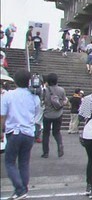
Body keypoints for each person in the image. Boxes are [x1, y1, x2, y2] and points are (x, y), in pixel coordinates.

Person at [0, 69, 41, 199]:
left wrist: (1, 131)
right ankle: (22, 190)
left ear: (15, 81)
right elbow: (36, 114)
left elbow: (2, 116)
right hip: (28, 132)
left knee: (10, 162)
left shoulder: (8, 95)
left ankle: (20, 189)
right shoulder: (34, 96)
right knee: (24, 162)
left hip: (13, 132)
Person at [41, 73, 68, 158]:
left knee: (46, 133)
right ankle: (60, 145)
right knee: (56, 132)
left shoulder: (45, 91)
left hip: (47, 115)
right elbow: (64, 101)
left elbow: (42, 101)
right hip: (58, 114)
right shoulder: (61, 90)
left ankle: (46, 152)